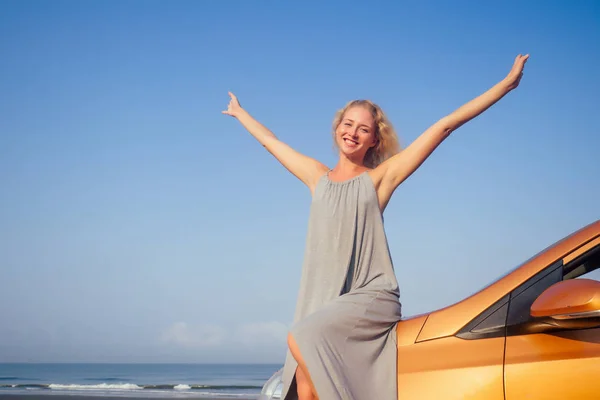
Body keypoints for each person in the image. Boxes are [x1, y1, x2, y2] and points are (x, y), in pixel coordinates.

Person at [222, 54, 529, 400]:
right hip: (322, 301)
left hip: (370, 294)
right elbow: (271, 141)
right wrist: (240, 113)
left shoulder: (379, 180)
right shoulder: (316, 177)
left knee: (300, 337)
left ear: (374, 141)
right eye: (348, 124)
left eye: (363, 129)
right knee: (305, 383)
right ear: (337, 127)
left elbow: (443, 126)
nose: (352, 132)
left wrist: (505, 85)